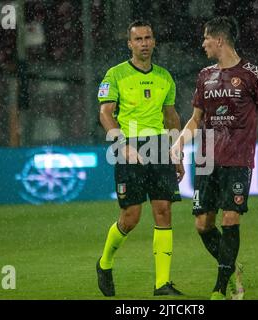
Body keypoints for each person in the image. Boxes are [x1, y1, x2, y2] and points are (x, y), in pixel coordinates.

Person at [171, 16, 258, 300]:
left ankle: (220, 289)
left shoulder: (252, 74)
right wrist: (178, 145)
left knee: (230, 219)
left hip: (237, 158)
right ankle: (232, 270)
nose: (203, 44)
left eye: (206, 39)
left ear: (219, 40)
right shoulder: (204, 76)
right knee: (202, 225)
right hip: (207, 159)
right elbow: (196, 119)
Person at [96, 20, 185, 297]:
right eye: (138, 39)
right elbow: (105, 113)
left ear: (154, 41)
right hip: (129, 147)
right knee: (131, 218)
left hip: (159, 147)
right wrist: (122, 145)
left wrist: (178, 154)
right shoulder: (115, 74)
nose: (144, 43)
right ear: (130, 44)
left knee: (164, 211)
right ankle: (104, 263)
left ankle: (162, 285)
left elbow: (171, 117)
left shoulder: (165, 77)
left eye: (148, 38)